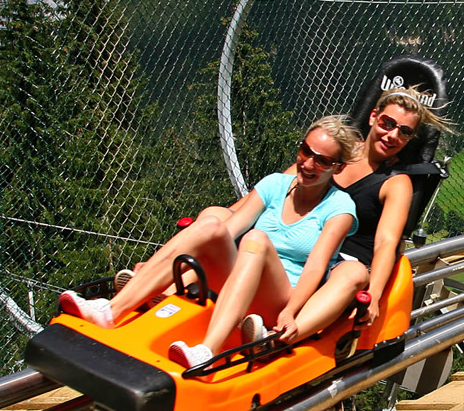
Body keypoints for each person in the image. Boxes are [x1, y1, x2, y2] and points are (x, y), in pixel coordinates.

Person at [59, 116, 363, 366]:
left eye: (322, 161)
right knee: (211, 226)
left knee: (256, 239)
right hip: (241, 278)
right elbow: (227, 230)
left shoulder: (339, 208)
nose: (308, 164)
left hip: (281, 296)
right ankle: (113, 310)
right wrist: (156, 266)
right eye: (306, 152)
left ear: (337, 168)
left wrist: (290, 311)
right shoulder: (275, 184)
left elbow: (315, 268)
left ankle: (207, 349)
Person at [279, 87, 453, 338]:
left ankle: (280, 338)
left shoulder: (396, 183)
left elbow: (386, 243)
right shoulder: (337, 153)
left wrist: (373, 295)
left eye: (404, 132)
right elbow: (283, 185)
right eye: (388, 123)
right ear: (373, 117)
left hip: (345, 265)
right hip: (305, 249)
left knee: (350, 275)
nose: (392, 135)